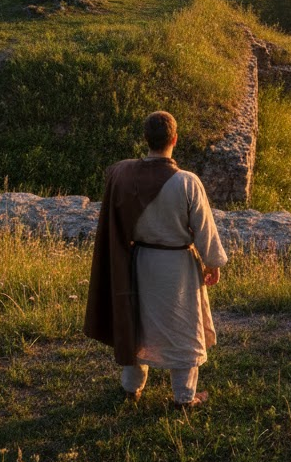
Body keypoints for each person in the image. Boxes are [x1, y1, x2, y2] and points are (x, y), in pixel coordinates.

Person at [84, 110, 227, 409]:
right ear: (175, 139)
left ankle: (131, 388)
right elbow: (205, 231)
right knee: (183, 329)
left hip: (138, 262)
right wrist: (212, 262)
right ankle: (184, 397)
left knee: (137, 324)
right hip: (177, 268)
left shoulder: (122, 175)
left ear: (146, 139)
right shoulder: (187, 182)